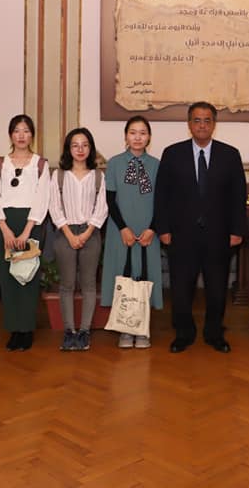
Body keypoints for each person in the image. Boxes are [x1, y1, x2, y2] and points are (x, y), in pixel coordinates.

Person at [154, 101, 247, 354]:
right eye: (197, 120)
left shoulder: (230, 154)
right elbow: (161, 195)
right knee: (181, 289)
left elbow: (238, 196)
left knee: (217, 289)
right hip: (181, 236)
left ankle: (214, 333)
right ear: (189, 124)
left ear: (214, 124)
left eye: (207, 120)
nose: (202, 125)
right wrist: (163, 228)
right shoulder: (172, 153)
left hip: (219, 236)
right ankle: (183, 333)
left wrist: (237, 230)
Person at [0, 114, 50, 352]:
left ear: (32, 134)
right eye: (16, 130)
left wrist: (26, 231)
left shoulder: (40, 164)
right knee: (7, 277)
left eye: (26, 130)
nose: (21, 135)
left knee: (28, 276)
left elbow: (41, 198)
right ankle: (13, 329)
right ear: (10, 134)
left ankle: (27, 330)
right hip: (4, 224)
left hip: (30, 224)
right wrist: (4, 229)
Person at [101, 116, 163, 349]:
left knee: (144, 277)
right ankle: (125, 330)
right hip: (121, 231)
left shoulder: (157, 165)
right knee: (124, 276)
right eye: (133, 132)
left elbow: (162, 201)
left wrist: (152, 229)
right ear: (125, 136)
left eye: (143, 133)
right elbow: (109, 199)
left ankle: (142, 329)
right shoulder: (114, 163)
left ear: (149, 137)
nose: (138, 137)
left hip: (148, 232)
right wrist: (123, 228)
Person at [47, 127, 108, 352]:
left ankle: (84, 332)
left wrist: (86, 233)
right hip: (65, 232)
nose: (80, 149)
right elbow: (54, 206)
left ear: (90, 148)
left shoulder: (99, 176)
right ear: (68, 149)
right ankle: (69, 331)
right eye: (75, 145)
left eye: (85, 145)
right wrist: (70, 234)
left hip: (90, 233)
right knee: (67, 284)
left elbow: (102, 209)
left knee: (89, 284)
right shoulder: (59, 175)